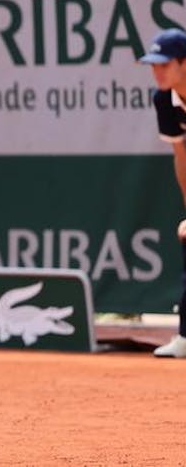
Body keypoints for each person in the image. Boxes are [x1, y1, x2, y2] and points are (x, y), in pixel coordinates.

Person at [139, 27, 186, 358]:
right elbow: (182, 156)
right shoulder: (163, 100)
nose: (157, 72)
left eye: (164, 64)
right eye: (153, 65)